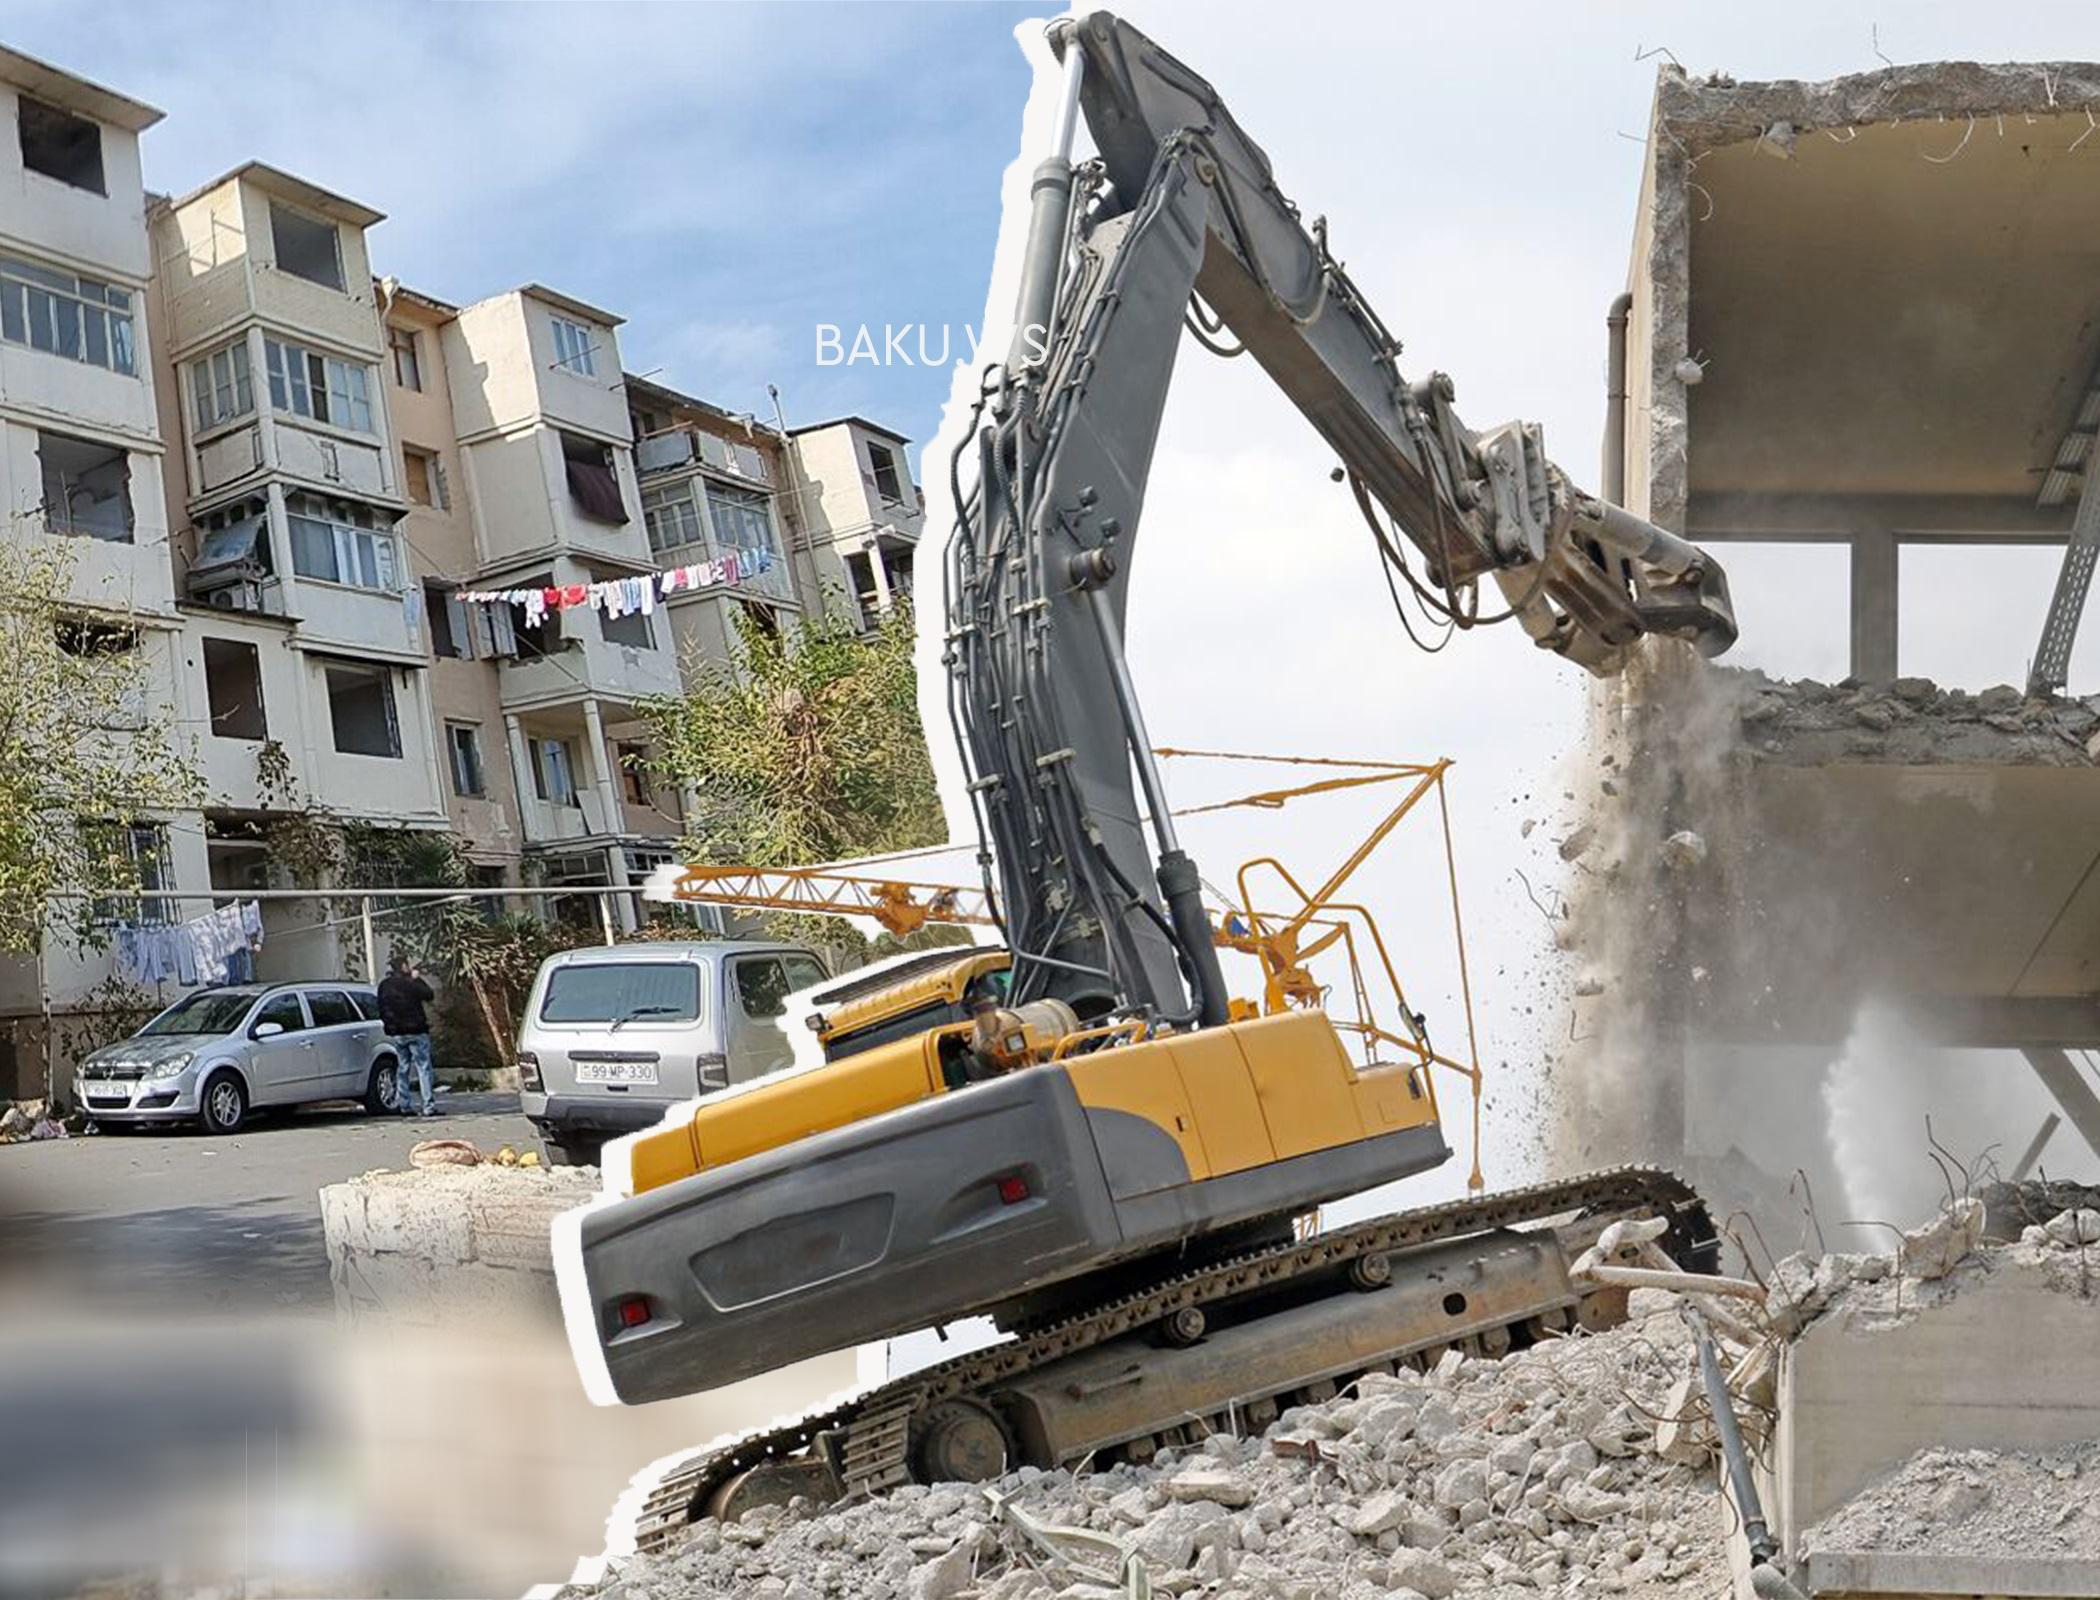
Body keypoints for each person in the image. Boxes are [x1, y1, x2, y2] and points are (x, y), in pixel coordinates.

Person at [378, 954, 437, 1118]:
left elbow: (382, 1007)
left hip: (398, 1033)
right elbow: (428, 995)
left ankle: (404, 1105)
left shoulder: (385, 985)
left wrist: (389, 1027)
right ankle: (428, 1106)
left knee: (402, 1068)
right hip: (416, 1030)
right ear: (403, 967)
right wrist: (417, 979)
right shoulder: (410, 983)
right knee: (423, 1067)